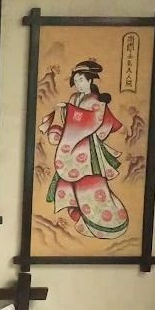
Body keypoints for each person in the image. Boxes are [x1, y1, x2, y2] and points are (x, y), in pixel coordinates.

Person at [39, 60, 128, 238]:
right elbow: (68, 119)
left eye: (81, 80)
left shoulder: (96, 101)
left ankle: (105, 222)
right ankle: (82, 219)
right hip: (72, 145)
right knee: (71, 183)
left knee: (90, 184)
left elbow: (93, 120)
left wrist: (69, 110)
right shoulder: (74, 98)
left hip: (87, 148)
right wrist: (63, 112)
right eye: (76, 81)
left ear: (90, 80)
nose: (78, 84)